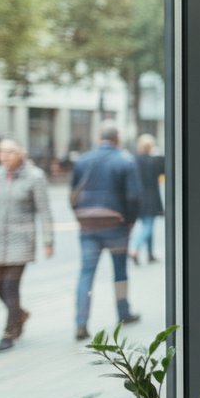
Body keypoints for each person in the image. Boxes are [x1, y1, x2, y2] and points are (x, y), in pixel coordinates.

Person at [0, 139, 54, 352]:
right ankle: (20, 314)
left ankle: (9, 333)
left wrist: (48, 241)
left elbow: (44, 211)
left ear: (20, 154)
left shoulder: (35, 177)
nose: (4, 156)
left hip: (22, 240)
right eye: (1, 152)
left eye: (9, 152)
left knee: (10, 287)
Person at [71, 121, 142, 340]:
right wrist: (129, 221)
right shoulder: (124, 161)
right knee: (120, 272)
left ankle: (81, 322)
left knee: (86, 273)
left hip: (89, 226)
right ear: (117, 138)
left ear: (99, 138)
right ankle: (123, 311)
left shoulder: (83, 161)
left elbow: (73, 194)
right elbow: (134, 196)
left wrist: (80, 216)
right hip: (116, 226)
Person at [131, 134, 165, 264]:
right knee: (148, 225)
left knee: (146, 225)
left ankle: (150, 254)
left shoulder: (134, 160)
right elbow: (165, 167)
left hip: (137, 198)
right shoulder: (154, 160)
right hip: (151, 197)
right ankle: (134, 248)